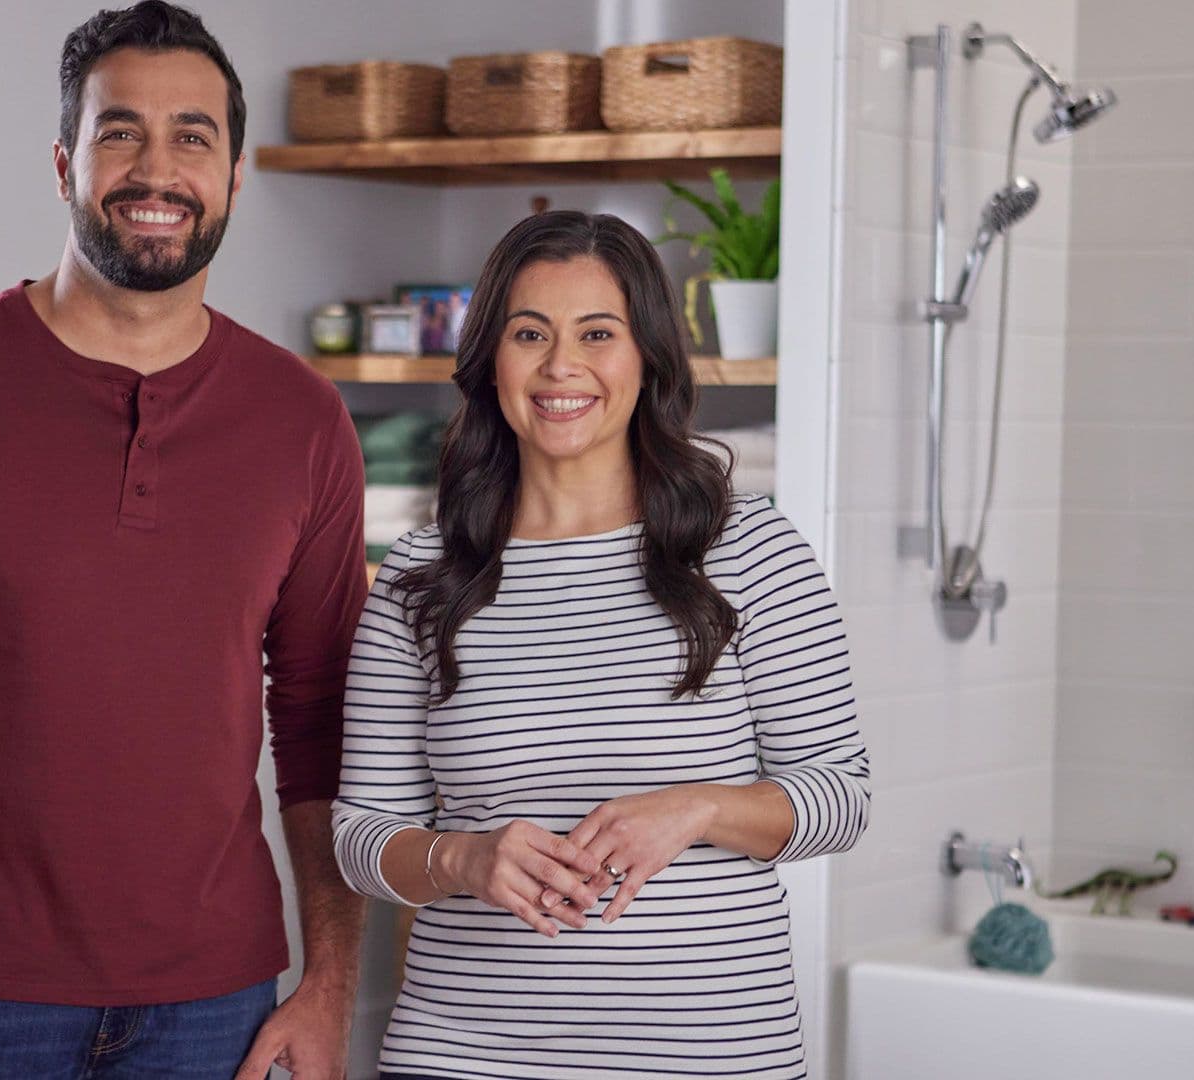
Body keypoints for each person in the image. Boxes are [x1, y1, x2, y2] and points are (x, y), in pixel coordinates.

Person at [0, 4, 366, 1076]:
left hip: (218, 1003)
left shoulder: (304, 419)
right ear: (64, 163)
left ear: (235, 176)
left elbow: (321, 711)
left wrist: (331, 982)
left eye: (193, 136)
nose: (158, 170)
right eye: (119, 132)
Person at [331, 211, 871, 1080]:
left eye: (597, 333)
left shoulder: (751, 551)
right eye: (529, 334)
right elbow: (363, 835)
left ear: (647, 356)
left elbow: (842, 795)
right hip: (463, 1051)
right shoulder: (421, 574)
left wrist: (700, 808)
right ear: (491, 360)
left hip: (708, 1053)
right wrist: (464, 857)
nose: (560, 366)